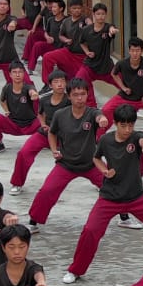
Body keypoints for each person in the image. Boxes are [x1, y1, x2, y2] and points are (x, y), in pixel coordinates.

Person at [63, 104, 143, 284]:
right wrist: (104, 171)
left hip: (137, 196)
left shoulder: (136, 137)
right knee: (90, 230)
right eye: (124, 126)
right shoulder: (106, 140)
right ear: (115, 123)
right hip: (109, 197)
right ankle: (75, 270)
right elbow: (96, 158)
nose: (127, 129)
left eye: (131, 125)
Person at [26, 85, 108, 227]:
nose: (80, 98)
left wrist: (102, 120)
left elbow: (99, 116)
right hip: (66, 164)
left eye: (83, 94)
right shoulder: (60, 114)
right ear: (69, 96)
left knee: (115, 185)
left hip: (91, 164)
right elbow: (52, 132)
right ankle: (33, 220)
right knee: (47, 190)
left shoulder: (92, 113)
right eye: (75, 95)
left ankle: (124, 217)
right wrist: (53, 150)